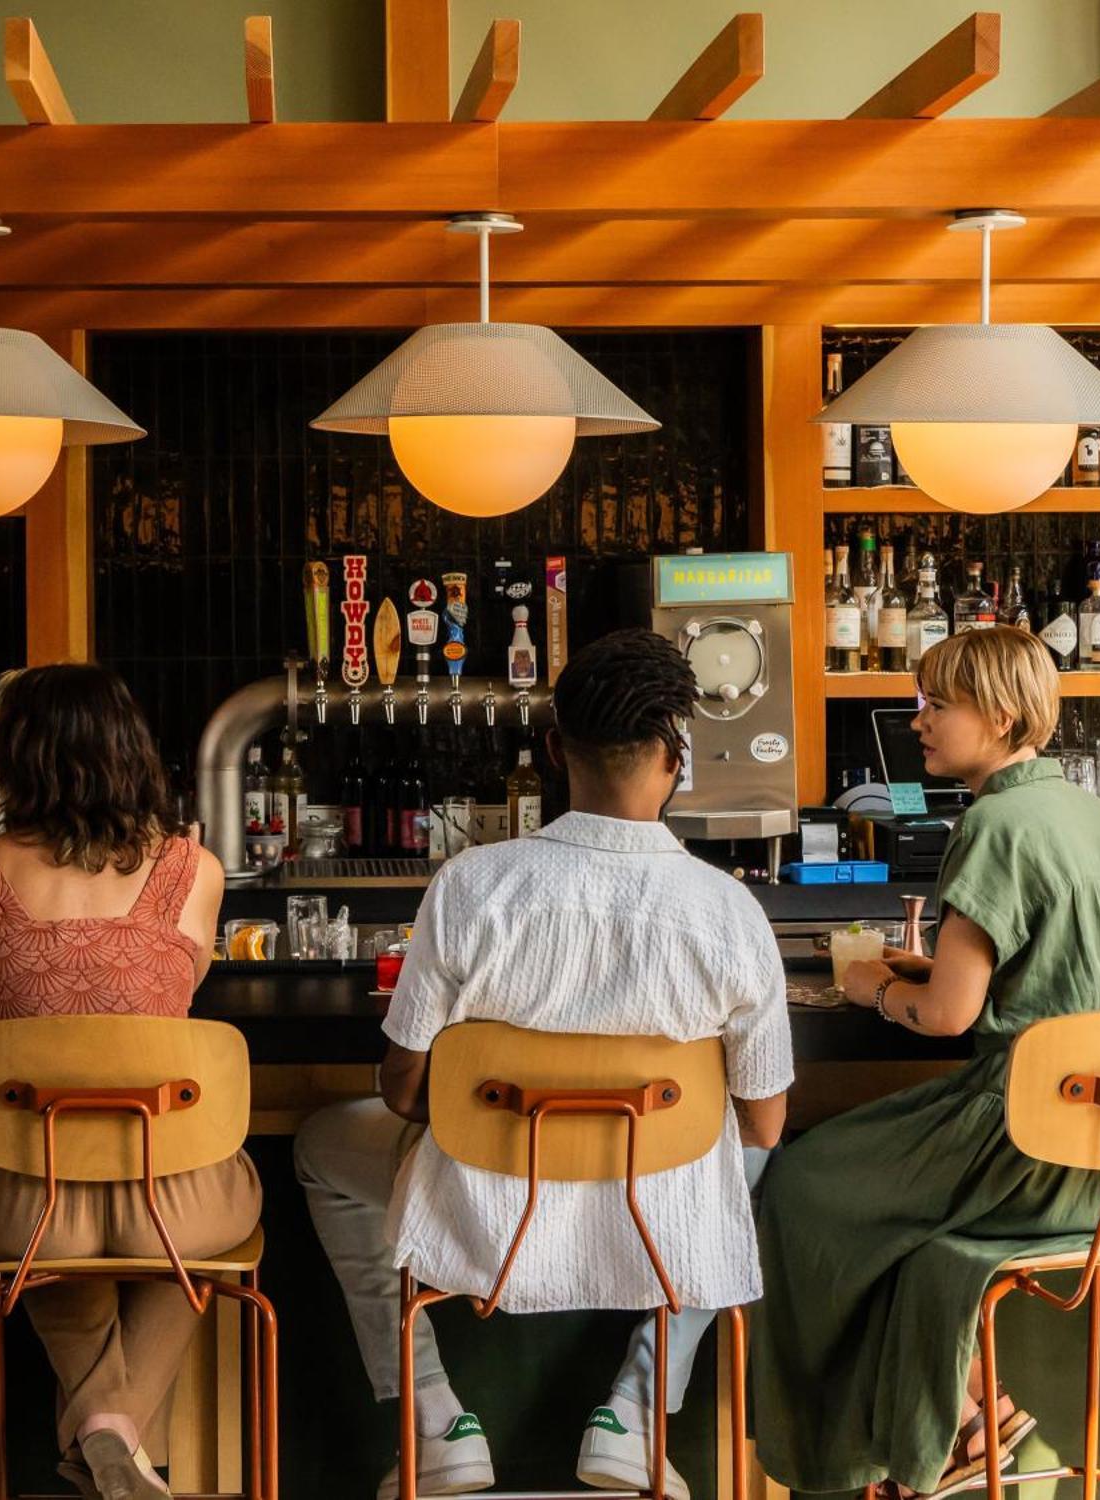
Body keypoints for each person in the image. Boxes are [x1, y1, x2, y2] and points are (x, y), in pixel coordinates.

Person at [292, 628, 792, 1500]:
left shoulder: (472, 885)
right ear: (680, 754)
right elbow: (765, 1121)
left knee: (319, 1148)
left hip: (487, 1212)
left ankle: (436, 1421)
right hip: (658, 1222)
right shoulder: (731, 913)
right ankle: (637, 1411)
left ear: (556, 751)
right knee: (743, 1161)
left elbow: (404, 1090)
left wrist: (507, 1109)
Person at [750, 626, 1100, 1499]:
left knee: (802, 1184)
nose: (917, 719)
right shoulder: (1085, 812)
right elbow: (1044, 970)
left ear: (1002, 717)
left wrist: (872, 992)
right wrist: (933, 969)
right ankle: (965, 1415)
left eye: (939, 704)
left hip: (1018, 1135)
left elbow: (948, 1017)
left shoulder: (995, 823)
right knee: (894, 1219)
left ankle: (857, 1454)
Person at [0, 662, 256, 1500]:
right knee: (205, 1247)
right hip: (173, 1207)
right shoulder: (196, 872)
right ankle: (115, 1434)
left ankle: (103, 1433)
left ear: (12, 757)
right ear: (132, 753)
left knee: (47, 1221)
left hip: (29, 1208)